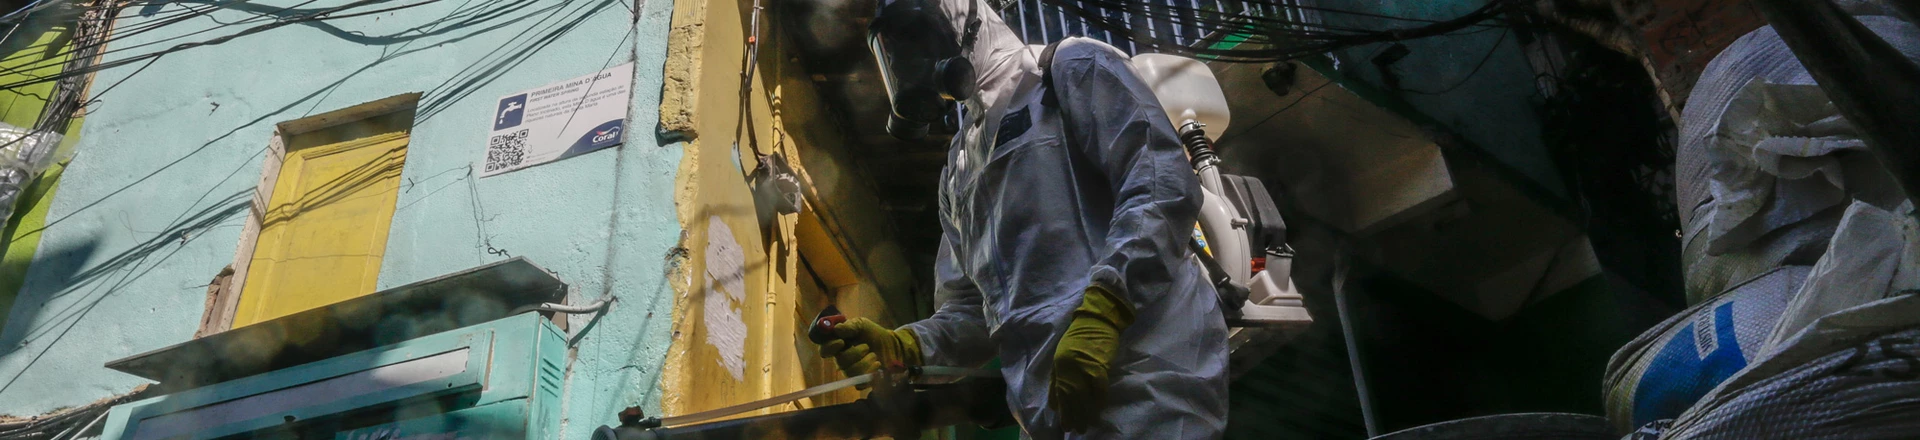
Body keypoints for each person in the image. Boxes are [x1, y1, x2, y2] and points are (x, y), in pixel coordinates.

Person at [813, 0, 1229, 437]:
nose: (911, 60)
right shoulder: (958, 166)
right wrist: (905, 346)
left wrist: (1105, 311)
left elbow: (1161, 182)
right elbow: (974, 308)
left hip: (1146, 375)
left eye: (918, 35)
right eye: (896, 49)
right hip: (1048, 407)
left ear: (963, 14)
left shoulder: (1065, 67)